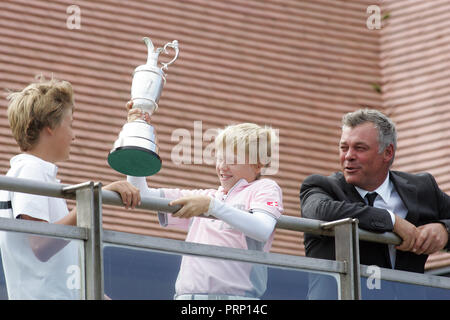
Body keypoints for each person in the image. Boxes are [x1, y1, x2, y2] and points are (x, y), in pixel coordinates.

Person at [0, 77, 141, 299]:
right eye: (71, 123)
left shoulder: (38, 174)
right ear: (50, 126)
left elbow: (61, 266)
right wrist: (91, 202)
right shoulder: (30, 170)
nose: (74, 136)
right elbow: (41, 244)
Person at [125, 102, 283, 299]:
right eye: (219, 159)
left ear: (258, 165)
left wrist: (211, 207)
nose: (222, 167)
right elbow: (142, 196)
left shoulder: (265, 188)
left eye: (232, 160)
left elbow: (262, 229)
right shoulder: (207, 197)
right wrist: (136, 141)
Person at [300, 108, 450, 299]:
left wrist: (444, 230)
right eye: (344, 147)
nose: (348, 156)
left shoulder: (423, 188)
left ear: (387, 152)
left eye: (359, 148)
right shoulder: (321, 187)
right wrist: (392, 221)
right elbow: (321, 212)